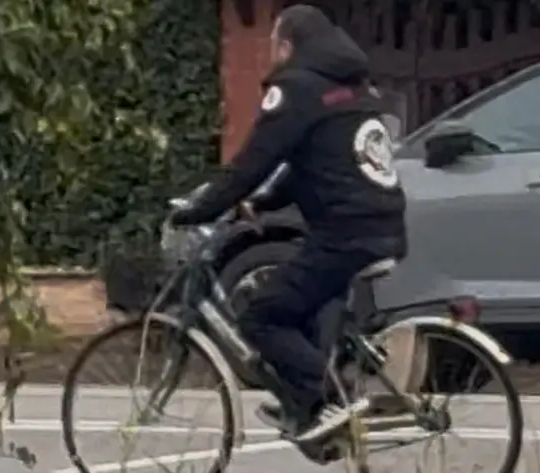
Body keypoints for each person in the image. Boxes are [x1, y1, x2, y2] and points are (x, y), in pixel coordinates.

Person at [170, 4, 407, 442]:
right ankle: (309, 407)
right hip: (385, 225)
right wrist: (262, 202)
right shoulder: (355, 89)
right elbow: (314, 167)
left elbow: (252, 162)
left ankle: (330, 400)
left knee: (261, 316)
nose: (271, 57)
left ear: (287, 44)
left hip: (343, 234)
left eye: (273, 46)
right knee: (304, 306)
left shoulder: (296, 88)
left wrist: (199, 209)